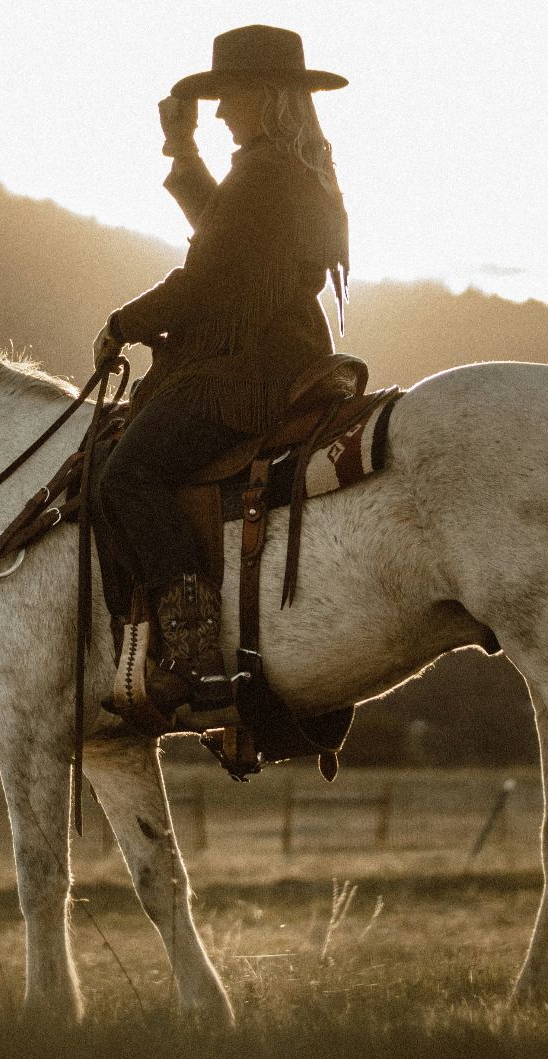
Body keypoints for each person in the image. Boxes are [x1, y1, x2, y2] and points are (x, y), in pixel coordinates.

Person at [88, 24, 350, 729]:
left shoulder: (265, 171)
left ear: (264, 96)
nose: (223, 111)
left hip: (251, 364)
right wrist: (182, 150)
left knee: (125, 475)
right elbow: (231, 237)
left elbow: (206, 276)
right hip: (285, 349)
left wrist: (124, 322)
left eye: (230, 97)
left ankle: (195, 646)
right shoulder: (291, 167)